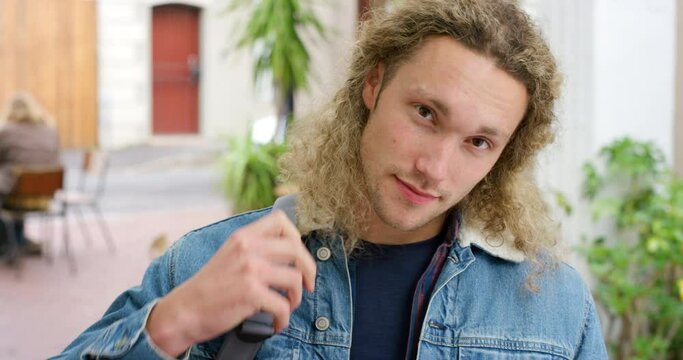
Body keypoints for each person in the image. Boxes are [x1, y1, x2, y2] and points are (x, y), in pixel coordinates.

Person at [55, 0, 608, 358]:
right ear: (374, 85)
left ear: (504, 155)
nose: (435, 170)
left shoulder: (557, 309)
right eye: (425, 114)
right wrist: (172, 324)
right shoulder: (208, 264)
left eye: (478, 142)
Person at [0, 92, 60, 256]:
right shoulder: (50, 130)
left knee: (11, 185)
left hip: (16, 195)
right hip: (44, 196)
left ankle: (8, 243)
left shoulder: (5, 131)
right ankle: (18, 240)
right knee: (18, 182)